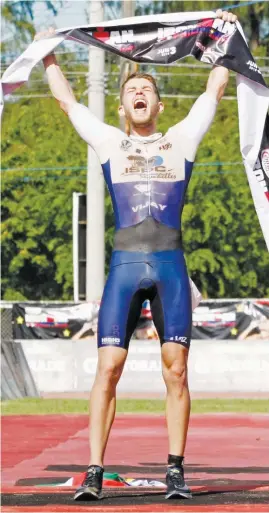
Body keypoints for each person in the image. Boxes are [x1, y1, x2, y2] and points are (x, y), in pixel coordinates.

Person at [35, 8, 237, 501]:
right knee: (108, 368)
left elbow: (214, 89)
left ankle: (175, 472)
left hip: (169, 264)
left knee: (176, 369)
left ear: (161, 105)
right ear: (123, 107)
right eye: (130, 91)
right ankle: (95, 472)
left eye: (146, 90)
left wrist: (228, 37)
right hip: (126, 266)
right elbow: (66, 103)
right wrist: (48, 53)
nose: (138, 94)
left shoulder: (181, 138)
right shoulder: (109, 141)